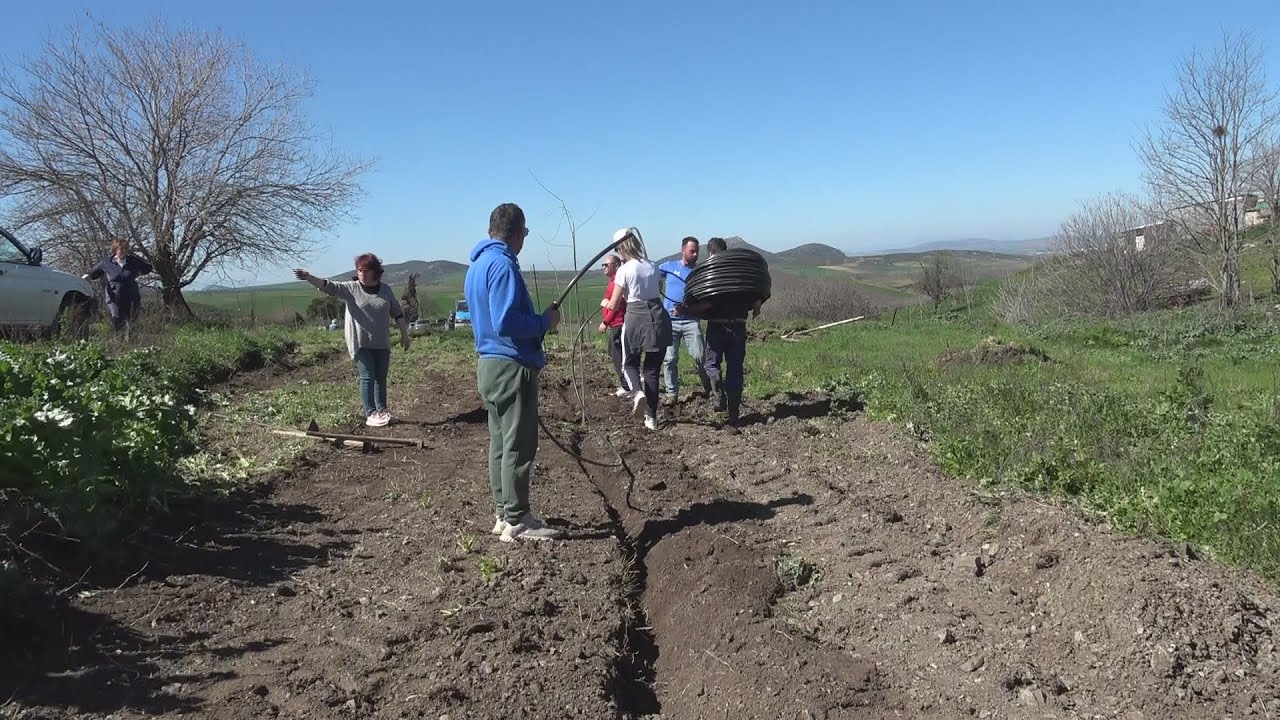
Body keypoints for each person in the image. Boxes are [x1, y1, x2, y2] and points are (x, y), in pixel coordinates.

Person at [465, 203, 563, 542]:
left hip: (488, 366)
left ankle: (503, 514)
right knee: (519, 445)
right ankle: (518, 521)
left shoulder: (476, 266)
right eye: (526, 232)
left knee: (500, 444)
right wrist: (543, 323)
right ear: (518, 232)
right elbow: (505, 321)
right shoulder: (503, 265)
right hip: (511, 366)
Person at [294, 254, 410, 428]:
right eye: (359, 270)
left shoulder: (385, 289)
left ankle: (382, 410)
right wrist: (309, 277)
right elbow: (329, 286)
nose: (361, 273)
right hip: (360, 342)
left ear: (375, 271)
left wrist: (404, 334)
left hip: (382, 342)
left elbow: (397, 311)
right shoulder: (351, 288)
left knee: (381, 377)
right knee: (368, 376)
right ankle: (370, 413)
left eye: (365, 270)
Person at [604, 226, 672, 431]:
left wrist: (604, 303)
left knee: (629, 362)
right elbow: (658, 290)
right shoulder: (653, 266)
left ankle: (637, 393)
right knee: (652, 370)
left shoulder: (624, 270)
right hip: (658, 317)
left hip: (635, 317)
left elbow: (615, 304)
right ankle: (651, 417)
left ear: (620, 248)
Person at [696, 237, 766, 426]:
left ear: (710, 253)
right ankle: (734, 413)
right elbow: (758, 291)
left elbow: (703, 301)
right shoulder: (743, 274)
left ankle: (718, 392)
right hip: (738, 327)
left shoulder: (710, 275)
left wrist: (691, 308)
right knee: (735, 368)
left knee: (711, 364)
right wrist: (758, 302)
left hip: (717, 326)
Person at [657, 236, 712, 402]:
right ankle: (671, 393)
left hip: (690, 321)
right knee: (670, 359)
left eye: (697, 251)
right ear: (683, 250)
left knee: (699, 357)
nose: (695, 254)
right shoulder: (668, 267)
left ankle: (710, 388)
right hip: (670, 322)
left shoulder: (699, 271)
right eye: (692, 251)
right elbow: (652, 276)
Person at [82, 238, 153, 331]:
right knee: (118, 321)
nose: (124, 251)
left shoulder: (133, 261)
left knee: (133, 323)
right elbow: (93, 273)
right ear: (115, 250)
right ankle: (120, 343)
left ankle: (133, 343)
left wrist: (139, 272)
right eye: (121, 249)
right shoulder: (107, 262)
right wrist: (83, 279)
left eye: (126, 249)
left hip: (131, 297)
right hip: (114, 298)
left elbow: (148, 267)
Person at [597, 254, 628, 397]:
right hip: (616, 323)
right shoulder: (613, 282)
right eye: (603, 265)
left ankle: (627, 386)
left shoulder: (616, 283)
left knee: (618, 355)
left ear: (616, 266)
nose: (603, 267)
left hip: (618, 323)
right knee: (614, 351)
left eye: (606, 265)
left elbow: (616, 307)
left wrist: (605, 322)